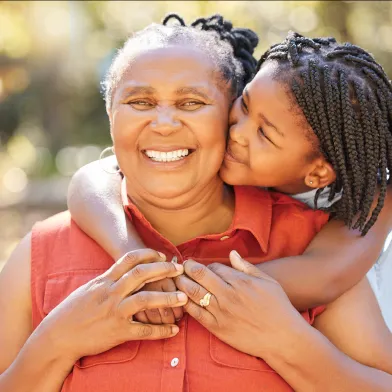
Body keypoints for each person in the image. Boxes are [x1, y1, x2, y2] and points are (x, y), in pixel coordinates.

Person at [0, 14, 390, 392]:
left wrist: (285, 340)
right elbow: (91, 177)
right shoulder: (44, 252)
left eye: (191, 103)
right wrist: (57, 341)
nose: (165, 123)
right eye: (139, 101)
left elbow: (332, 273)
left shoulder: (329, 226)